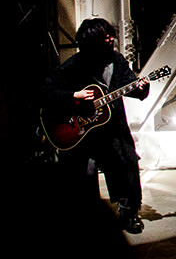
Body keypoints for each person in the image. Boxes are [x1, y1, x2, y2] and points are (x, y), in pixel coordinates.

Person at [42, 17, 150, 234]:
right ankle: (88, 217)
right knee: (85, 172)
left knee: (126, 163)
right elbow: (46, 92)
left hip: (113, 129)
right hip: (82, 133)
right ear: (91, 44)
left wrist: (141, 88)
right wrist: (74, 96)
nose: (110, 39)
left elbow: (131, 87)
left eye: (110, 35)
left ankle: (128, 213)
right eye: (104, 37)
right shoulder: (73, 66)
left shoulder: (117, 61)